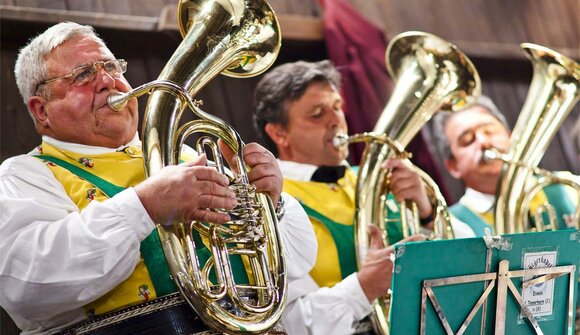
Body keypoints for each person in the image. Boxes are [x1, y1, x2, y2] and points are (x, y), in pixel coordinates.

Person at [0, 22, 317, 335]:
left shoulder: (187, 157)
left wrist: (269, 202)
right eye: (82, 75)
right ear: (41, 110)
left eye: (112, 66)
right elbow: (27, 282)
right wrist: (146, 205)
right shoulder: (24, 175)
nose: (108, 81)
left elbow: (297, 266)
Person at [253, 60, 474, 335]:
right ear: (279, 133)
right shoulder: (271, 203)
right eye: (317, 114)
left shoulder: (381, 177)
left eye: (336, 106)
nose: (336, 120)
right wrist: (364, 288)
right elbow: (290, 324)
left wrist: (428, 213)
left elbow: (471, 259)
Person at [431, 95, 578, 235]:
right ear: (453, 167)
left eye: (489, 131)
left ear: (510, 137)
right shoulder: (450, 225)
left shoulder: (569, 187)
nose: (483, 142)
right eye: (468, 140)